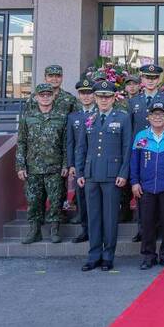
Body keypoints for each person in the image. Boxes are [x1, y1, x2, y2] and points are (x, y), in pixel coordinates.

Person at [76, 81, 132, 272]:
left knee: (109, 218)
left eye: (107, 96)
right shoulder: (89, 118)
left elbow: (127, 148)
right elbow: (81, 148)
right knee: (93, 217)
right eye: (100, 96)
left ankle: (108, 256)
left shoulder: (123, 118)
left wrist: (123, 173)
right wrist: (80, 172)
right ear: (95, 98)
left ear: (114, 98)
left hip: (112, 175)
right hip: (91, 174)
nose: (104, 100)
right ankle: (93, 256)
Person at [130, 101, 164, 270]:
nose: (157, 117)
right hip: (145, 187)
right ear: (148, 117)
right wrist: (134, 182)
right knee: (147, 223)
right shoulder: (141, 136)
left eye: (161, 114)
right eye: (154, 114)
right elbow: (134, 162)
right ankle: (148, 256)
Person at [127, 64, 164, 240]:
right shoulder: (133, 101)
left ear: (159, 79)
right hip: (141, 152)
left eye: (154, 77)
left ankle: (160, 230)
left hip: (162, 150)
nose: (150, 80)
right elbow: (130, 129)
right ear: (142, 79)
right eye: (147, 77)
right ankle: (143, 229)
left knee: (162, 194)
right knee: (142, 193)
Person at [16, 83, 68, 244]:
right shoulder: (28, 117)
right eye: (42, 95)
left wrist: (65, 164)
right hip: (33, 168)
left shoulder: (61, 117)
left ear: (53, 96)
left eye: (48, 95)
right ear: (36, 97)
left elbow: (66, 144)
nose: (45, 98)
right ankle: (34, 230)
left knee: (56, 200)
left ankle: (54, 230)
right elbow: (21, 143)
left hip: (55, 167)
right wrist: (20, 166)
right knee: (33, 201)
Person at [66, 79, 97, 243]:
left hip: (97, 162)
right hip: (80, 164)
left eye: (89, 93)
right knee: (82, 199)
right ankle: (85, 230)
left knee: (97, 199)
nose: (86, 96)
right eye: (82, 93)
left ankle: (99, 231)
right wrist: (71, 164)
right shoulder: (73, 117)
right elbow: (70, 142)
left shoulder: (101, 113)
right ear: (78, 95)